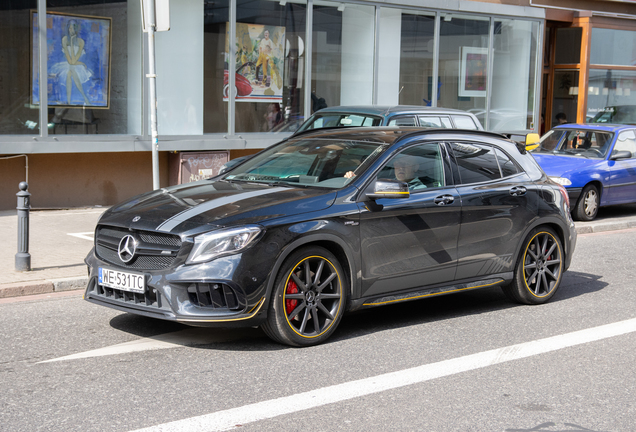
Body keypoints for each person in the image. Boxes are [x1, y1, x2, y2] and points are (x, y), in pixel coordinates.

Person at [50, 19, 92, 105]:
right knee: (70, 72)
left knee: (71, 71)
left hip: (76, 66)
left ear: (76, 29)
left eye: (72, 28)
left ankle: (73, 100)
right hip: (68, 65)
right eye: (69, 28)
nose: (71, 31)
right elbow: (70, 61)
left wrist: (73, 43)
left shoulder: (81, 42)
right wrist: (80, 63)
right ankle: (75, 100)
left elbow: (74, 61)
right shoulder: (65, 39)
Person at [345, 154, 426, 191]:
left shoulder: (419, 189)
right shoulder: (387, 182)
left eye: (406, 164)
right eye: (398, 163)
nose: (401, 167)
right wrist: (355, 179)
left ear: (415, 167)